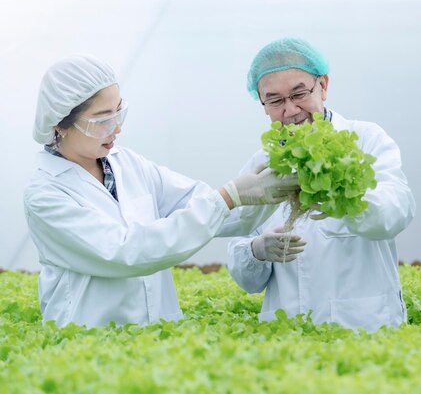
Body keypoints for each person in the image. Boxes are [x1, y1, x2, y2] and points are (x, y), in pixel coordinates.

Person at [24, 54, 299, 328]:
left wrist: (272, 191)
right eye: (102, 120)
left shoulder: (128, 164)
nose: (117, 128)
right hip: (89, 342)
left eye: (119, 112)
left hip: (157, 339)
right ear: (60, 123)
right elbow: (126, 253)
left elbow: (212, 211)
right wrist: (227, 197)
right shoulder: (46, 195)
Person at [227, 38, 416, 332]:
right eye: (275, 101)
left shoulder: (367, 140)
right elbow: (246, 278)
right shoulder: (261, 165)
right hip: (286, 334)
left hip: (362, 326)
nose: (290, 111)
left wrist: (338, 191)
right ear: (263, 105)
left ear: (323, 86)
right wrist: (257, 251)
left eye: (299, 94)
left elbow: (395, 214)